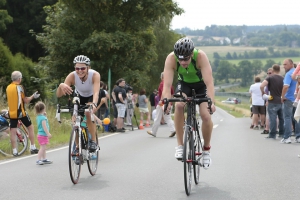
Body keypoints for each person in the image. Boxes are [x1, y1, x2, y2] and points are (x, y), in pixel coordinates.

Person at [161, 37, 216, 169]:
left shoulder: (200, 57)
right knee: (179, 105)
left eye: (186, 59)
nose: (183, 62)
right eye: (180, 59)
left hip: (201, 86)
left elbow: (209, 82)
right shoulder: (171, 59)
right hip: (184, 85)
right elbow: (167, 86)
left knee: (206, 116)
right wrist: (166, 102)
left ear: (191, 54)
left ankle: (206, 150)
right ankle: (180, 146)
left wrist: (211, 102)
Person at [56, 55, 100, 152]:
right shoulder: (72, 76)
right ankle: (77, 146)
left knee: (88, 113)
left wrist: (94, 103)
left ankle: (93, 141)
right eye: (77, 68)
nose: (80, 70)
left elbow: (96, 92)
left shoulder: (95, 75)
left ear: (88, 68)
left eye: (83, 68)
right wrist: (61, 86)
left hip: (91, 96)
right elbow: (59, 95)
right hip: (79, 96)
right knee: (75, 120)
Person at [6, 71, 39, 156]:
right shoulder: (20, 87)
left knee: (12, 132)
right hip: (21, 113)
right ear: (19, 79)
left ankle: (15, 151)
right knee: (30, 127)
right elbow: (26, 100)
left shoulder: (8, 87)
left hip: (12, 113)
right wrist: (33, 96)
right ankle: (33, 147)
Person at [147, 72, 176, 137]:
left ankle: (153, 132)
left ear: (162, 77)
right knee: (168, 117)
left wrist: (161, 103)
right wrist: (170, 103)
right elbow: (172, 95)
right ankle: (173, 130)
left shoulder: (162, 84)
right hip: (169, 102)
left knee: (157, 117)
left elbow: (163, 93)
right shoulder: (170, 84)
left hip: (162, 102)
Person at [260, 64, 284, 139]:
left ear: (273, 70)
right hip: (281, 100)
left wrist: (263, 92)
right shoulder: (282, 78)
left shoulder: (270, 78)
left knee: (273, 118)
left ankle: (272, 134)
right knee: (281, 118)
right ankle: (282, 133)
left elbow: (261, 86)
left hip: (272, 100)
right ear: (279, 70)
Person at [281, 59, 298, 143]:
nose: (284, 66)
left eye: (285, 64)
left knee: (287, 118)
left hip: (289, 98)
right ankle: (298, 136)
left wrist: (282, 96)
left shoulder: (288, 74)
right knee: (297, 118)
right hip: (297, 99)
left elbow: (285, 86)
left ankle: (287, 137)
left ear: (291, 64)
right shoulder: (297, 73)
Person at [261, 68, 273, 134]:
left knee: (269, 115)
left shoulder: (270, 80)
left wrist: (267, 100)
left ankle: (268, 129)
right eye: (268, 73)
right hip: (268, 98)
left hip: (270, 98)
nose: (268, 74)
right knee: (268, 114)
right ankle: (268, 128)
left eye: (270, 73)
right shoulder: (268, 80)